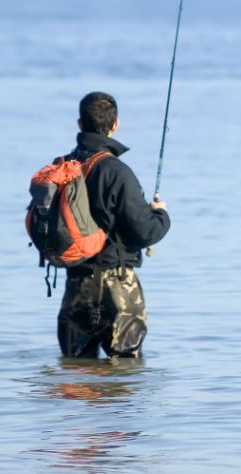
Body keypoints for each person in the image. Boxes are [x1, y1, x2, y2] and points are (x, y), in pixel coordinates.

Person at [56, 91, 171, 358]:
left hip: (76, 280)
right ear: (114, 125)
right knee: (124, 371)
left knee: (75, 372)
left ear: (79, 124)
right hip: (117, 283)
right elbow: (143, 232)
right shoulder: (117, 172)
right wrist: (161, 216)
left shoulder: (63, 167)